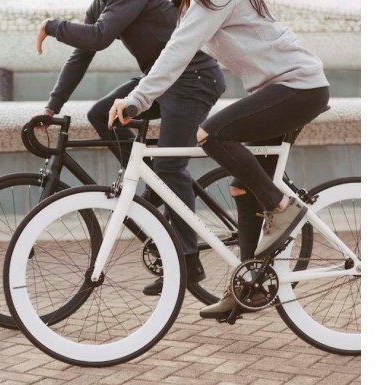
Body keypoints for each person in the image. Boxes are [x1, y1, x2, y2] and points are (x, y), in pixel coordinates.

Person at [108, 0, 330, 317]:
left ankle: (280, 207)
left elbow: (177, 51)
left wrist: (137, 100)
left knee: (211, 134)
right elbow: (178, 50)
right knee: (242, 189)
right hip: (284, 90)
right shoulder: (198, 7)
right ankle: (248, 287)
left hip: (297, 87)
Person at [34, 0, 225, 295]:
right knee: (101, 115)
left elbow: (100, 36)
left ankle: (189, 261)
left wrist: (51, 26)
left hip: (192, 79)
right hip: (159, 79)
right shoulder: (101, 3)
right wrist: (51, 108)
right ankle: (153, 179)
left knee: (171, 167)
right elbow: (82, 54)